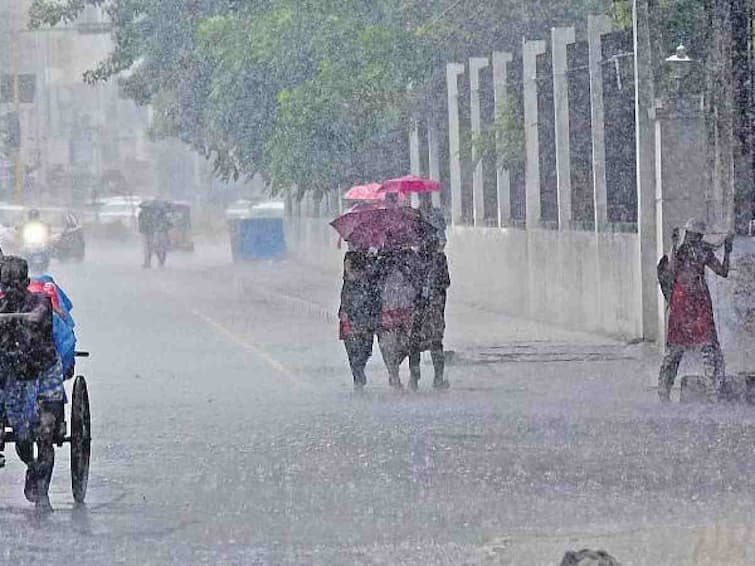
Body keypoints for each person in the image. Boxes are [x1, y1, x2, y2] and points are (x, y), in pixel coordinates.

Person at [0, 256, 62, 510]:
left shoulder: (40, 302)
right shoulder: (2, 306)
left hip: (44, 373)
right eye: (7, 283)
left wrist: (22, 319)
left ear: (26, 282)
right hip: (16, 377)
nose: (12, 288)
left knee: (46, 431)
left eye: (16, 283)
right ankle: (32, 467)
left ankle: (43, 492)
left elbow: (40, 316)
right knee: (24, 438)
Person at [658, 218, 733, 402]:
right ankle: (711, 391)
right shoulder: (690, 251)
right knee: (698, 348)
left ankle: (667, 390)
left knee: (693, 348)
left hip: (689, 303)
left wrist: (727, 251)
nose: (692, 238)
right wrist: (674, 245)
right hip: (689, 303)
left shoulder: (691, 251)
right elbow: (722, 271)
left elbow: (672, 272)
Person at [408, 235, 451, 391]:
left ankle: (415, 378)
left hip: (422, 307)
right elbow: (446, 282)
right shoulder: (437, 259)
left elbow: (410, 284)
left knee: (416, 342)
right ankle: (435, 378)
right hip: (430, 307)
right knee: (434, 342)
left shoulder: (415, 260)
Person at [376, 247, 421, 389]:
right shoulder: (383, 260)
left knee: (405, 344)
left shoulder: (409, 258)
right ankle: (395, 375)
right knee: (389, 345)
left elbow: (416, 282)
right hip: (389, 309)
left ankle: (397, 372)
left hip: (404, 308)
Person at [339, 249, 382, 390]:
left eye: (349, 264)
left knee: (365, 349)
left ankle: (359, 370)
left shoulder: (366, 281)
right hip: (350, 319)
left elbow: (373, 298)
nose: (346, 266)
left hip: (364, 317)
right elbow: (344, 296)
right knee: (351, 350)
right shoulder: (348, 282)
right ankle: (357, 376)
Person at [138, 201, 172, 268]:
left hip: (152, 233)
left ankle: (153, 262)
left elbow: (144, 223)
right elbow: (141, 223)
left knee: (153, 248)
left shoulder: (150, 214)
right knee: (150, 248)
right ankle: (150, 262)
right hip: (149, 233)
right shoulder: (144, 214)